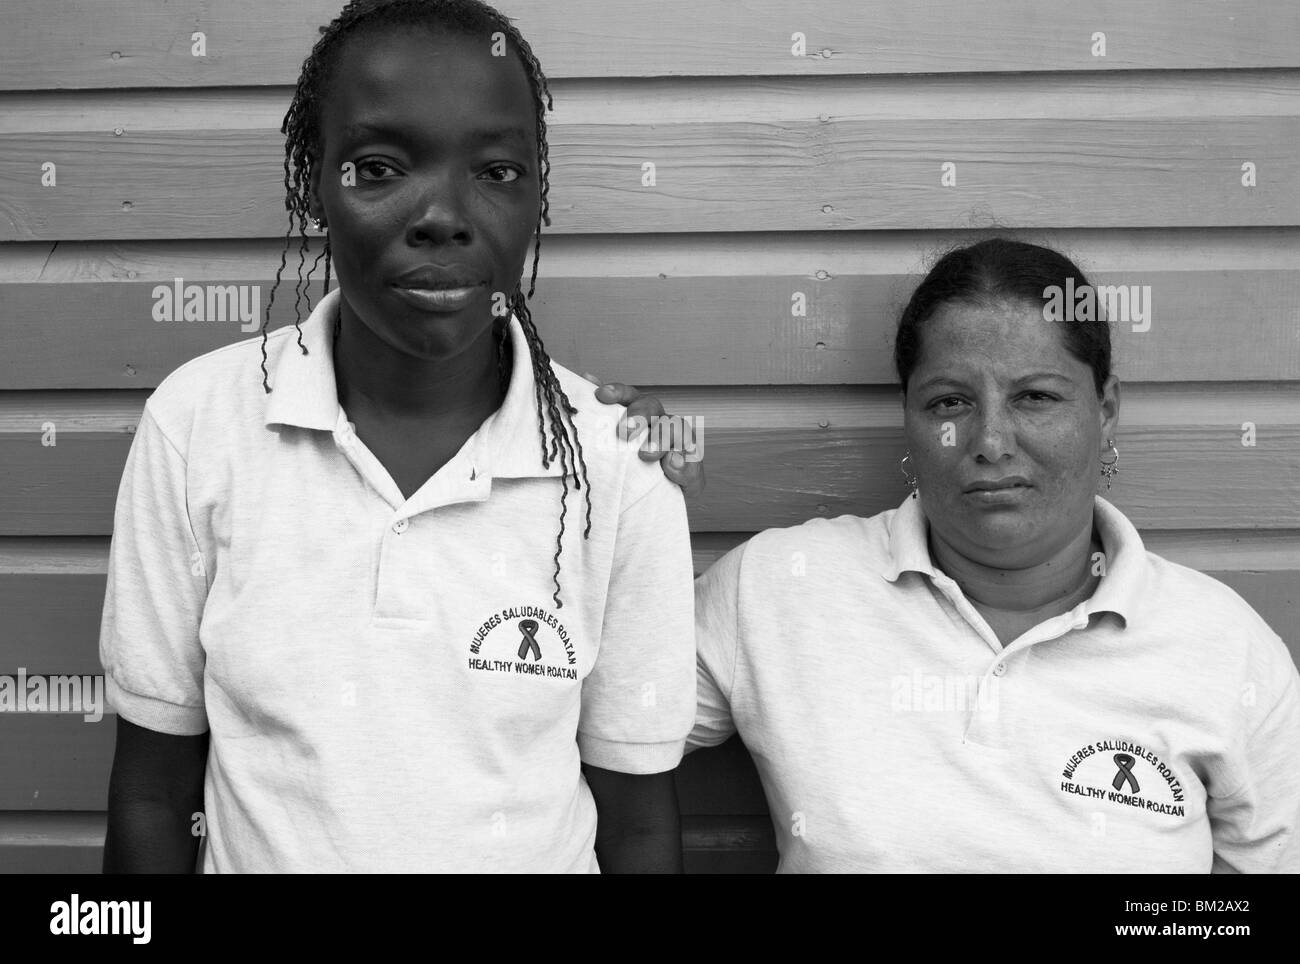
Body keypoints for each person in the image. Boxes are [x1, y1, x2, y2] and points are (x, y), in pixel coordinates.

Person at [100, 0, 698, 873]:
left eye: (496, 172)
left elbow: (639, 822)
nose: (442, 216)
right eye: (379, 167)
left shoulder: (615, 464)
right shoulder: (199, 426)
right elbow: (154, 795)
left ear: (537, 194)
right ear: (313, 183)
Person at [689, 237, 1300, 873]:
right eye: (950, 402)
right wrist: (596, 460)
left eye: (1035, 396)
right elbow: (597, 717)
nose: (990, 441)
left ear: (1107, 410)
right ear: (910, 419)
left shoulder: (1226, 649)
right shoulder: (780, 589)